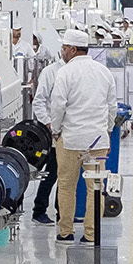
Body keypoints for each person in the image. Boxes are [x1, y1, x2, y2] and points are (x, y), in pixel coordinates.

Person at [47, 26, 114, 244]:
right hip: (97, 140)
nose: (62, 52)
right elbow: (111, 107)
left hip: (71, 140)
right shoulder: (104, 72)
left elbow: (58, 106)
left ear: (73, 49)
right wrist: (108, 130)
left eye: (64, 48)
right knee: (96, 187)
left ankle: (66, 232)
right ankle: (91, 234)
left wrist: (55, 130)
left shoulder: (65, 72)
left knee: (66, 184)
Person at [29, 36, 63, 223]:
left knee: (64, 176)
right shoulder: (51, 72)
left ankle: (62, 212)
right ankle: (39, 210)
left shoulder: (76, 71)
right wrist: (48, 123)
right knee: (52, 173)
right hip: (53, 133)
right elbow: (39, 101)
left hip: (70, 133)